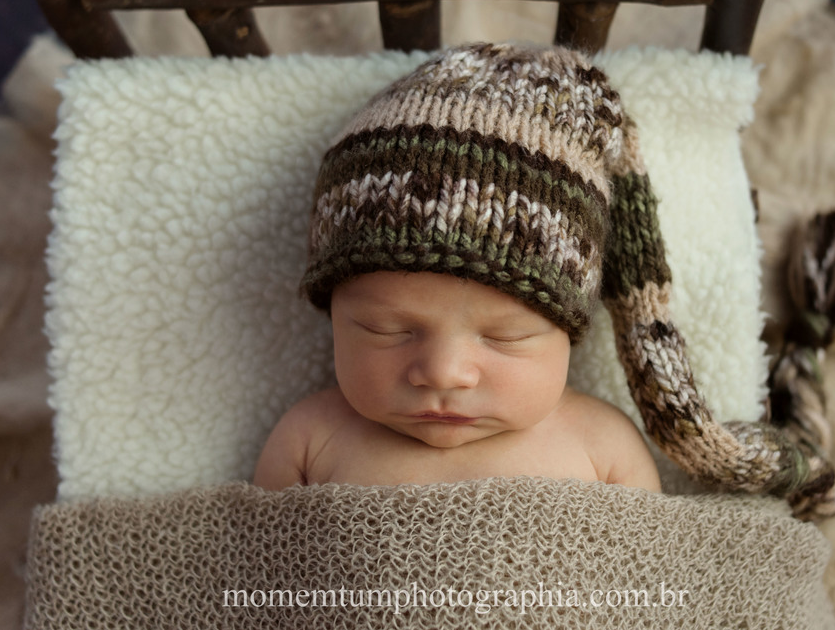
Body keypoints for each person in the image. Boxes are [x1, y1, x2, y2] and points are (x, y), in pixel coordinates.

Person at [253, 41, 661, 491]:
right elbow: (251, 540)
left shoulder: (603, 447)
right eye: (384, 329)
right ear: (333, 315)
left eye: (506, 336)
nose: (444, 372)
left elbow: (660, 541)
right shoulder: (310, 439)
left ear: (569, 331)